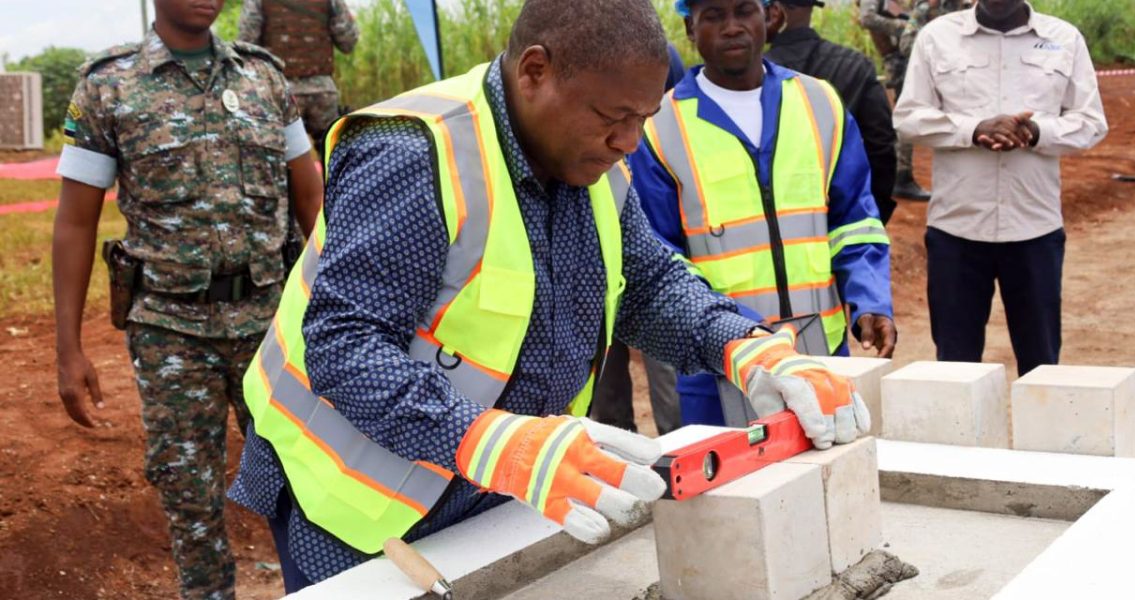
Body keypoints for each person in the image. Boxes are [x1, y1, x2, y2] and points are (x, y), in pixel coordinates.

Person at [227, 0, 872, 591]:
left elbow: (646, 284)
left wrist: (748, 347)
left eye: (642, 121)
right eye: (612, 118)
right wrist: (495, 444)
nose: (628, 143)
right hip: (353, 497)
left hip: (501, 474)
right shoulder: (415, 153)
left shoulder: (592, 163)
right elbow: (344, 346)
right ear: (535, 71)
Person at [51, 0, 324, 597]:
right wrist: (67, 349)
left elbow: (311, 198)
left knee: (305, 478)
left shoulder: (265, 76)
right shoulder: (107, 87)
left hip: (268, 325)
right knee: (188, 494)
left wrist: (332, 305)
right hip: (170, 332)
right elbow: (75, 222)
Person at [631, 0, 896, 426]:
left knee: (831, 476)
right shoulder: (659, 128)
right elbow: (659, 256)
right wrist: (732, 335)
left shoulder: (820, 104)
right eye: (713, 16)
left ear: (770, 17)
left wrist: (870, 301)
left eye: (744, 12)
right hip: (721, 364)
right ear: (689, 29)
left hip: (821, 352)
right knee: (739, 488)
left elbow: (854, 221)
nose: (731, 27)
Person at [893, 0, 1107, 375]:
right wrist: (973, 130)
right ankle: (959, 436)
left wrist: (1036, 132)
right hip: (956, 231)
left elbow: (1090, 122)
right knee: (955, 368)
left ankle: (1040, 436)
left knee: (1042, 365)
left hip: (1034, 231)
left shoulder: (1064, 39)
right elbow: (909, 118)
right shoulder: (937, 37)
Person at [590, 43, 689, 437]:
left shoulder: (657, 52)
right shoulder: (579, 47)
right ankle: (615, 453)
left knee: (665, 359)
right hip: (594, 244)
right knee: (600, 370)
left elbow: (677, 121)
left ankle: (676, 444)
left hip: (649, 233)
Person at [766, 0, 898, 224]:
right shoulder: (856, 65)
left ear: (775, 12)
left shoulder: (750, 78)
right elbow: (882, 146)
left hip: (776, 224)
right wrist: (873, 215)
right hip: (844, 215)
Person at [238, 0, 360, 158]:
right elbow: (348, 42)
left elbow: (246, 44)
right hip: (322, 92)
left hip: (279, 93)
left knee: (281, 163)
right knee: (335, 157)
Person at [858, 0, 932, 202]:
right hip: (897, 58)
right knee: (906, 114)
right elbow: (867, 18)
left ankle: (901, 175)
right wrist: (905, 27)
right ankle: (901, 177)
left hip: (906, 54)